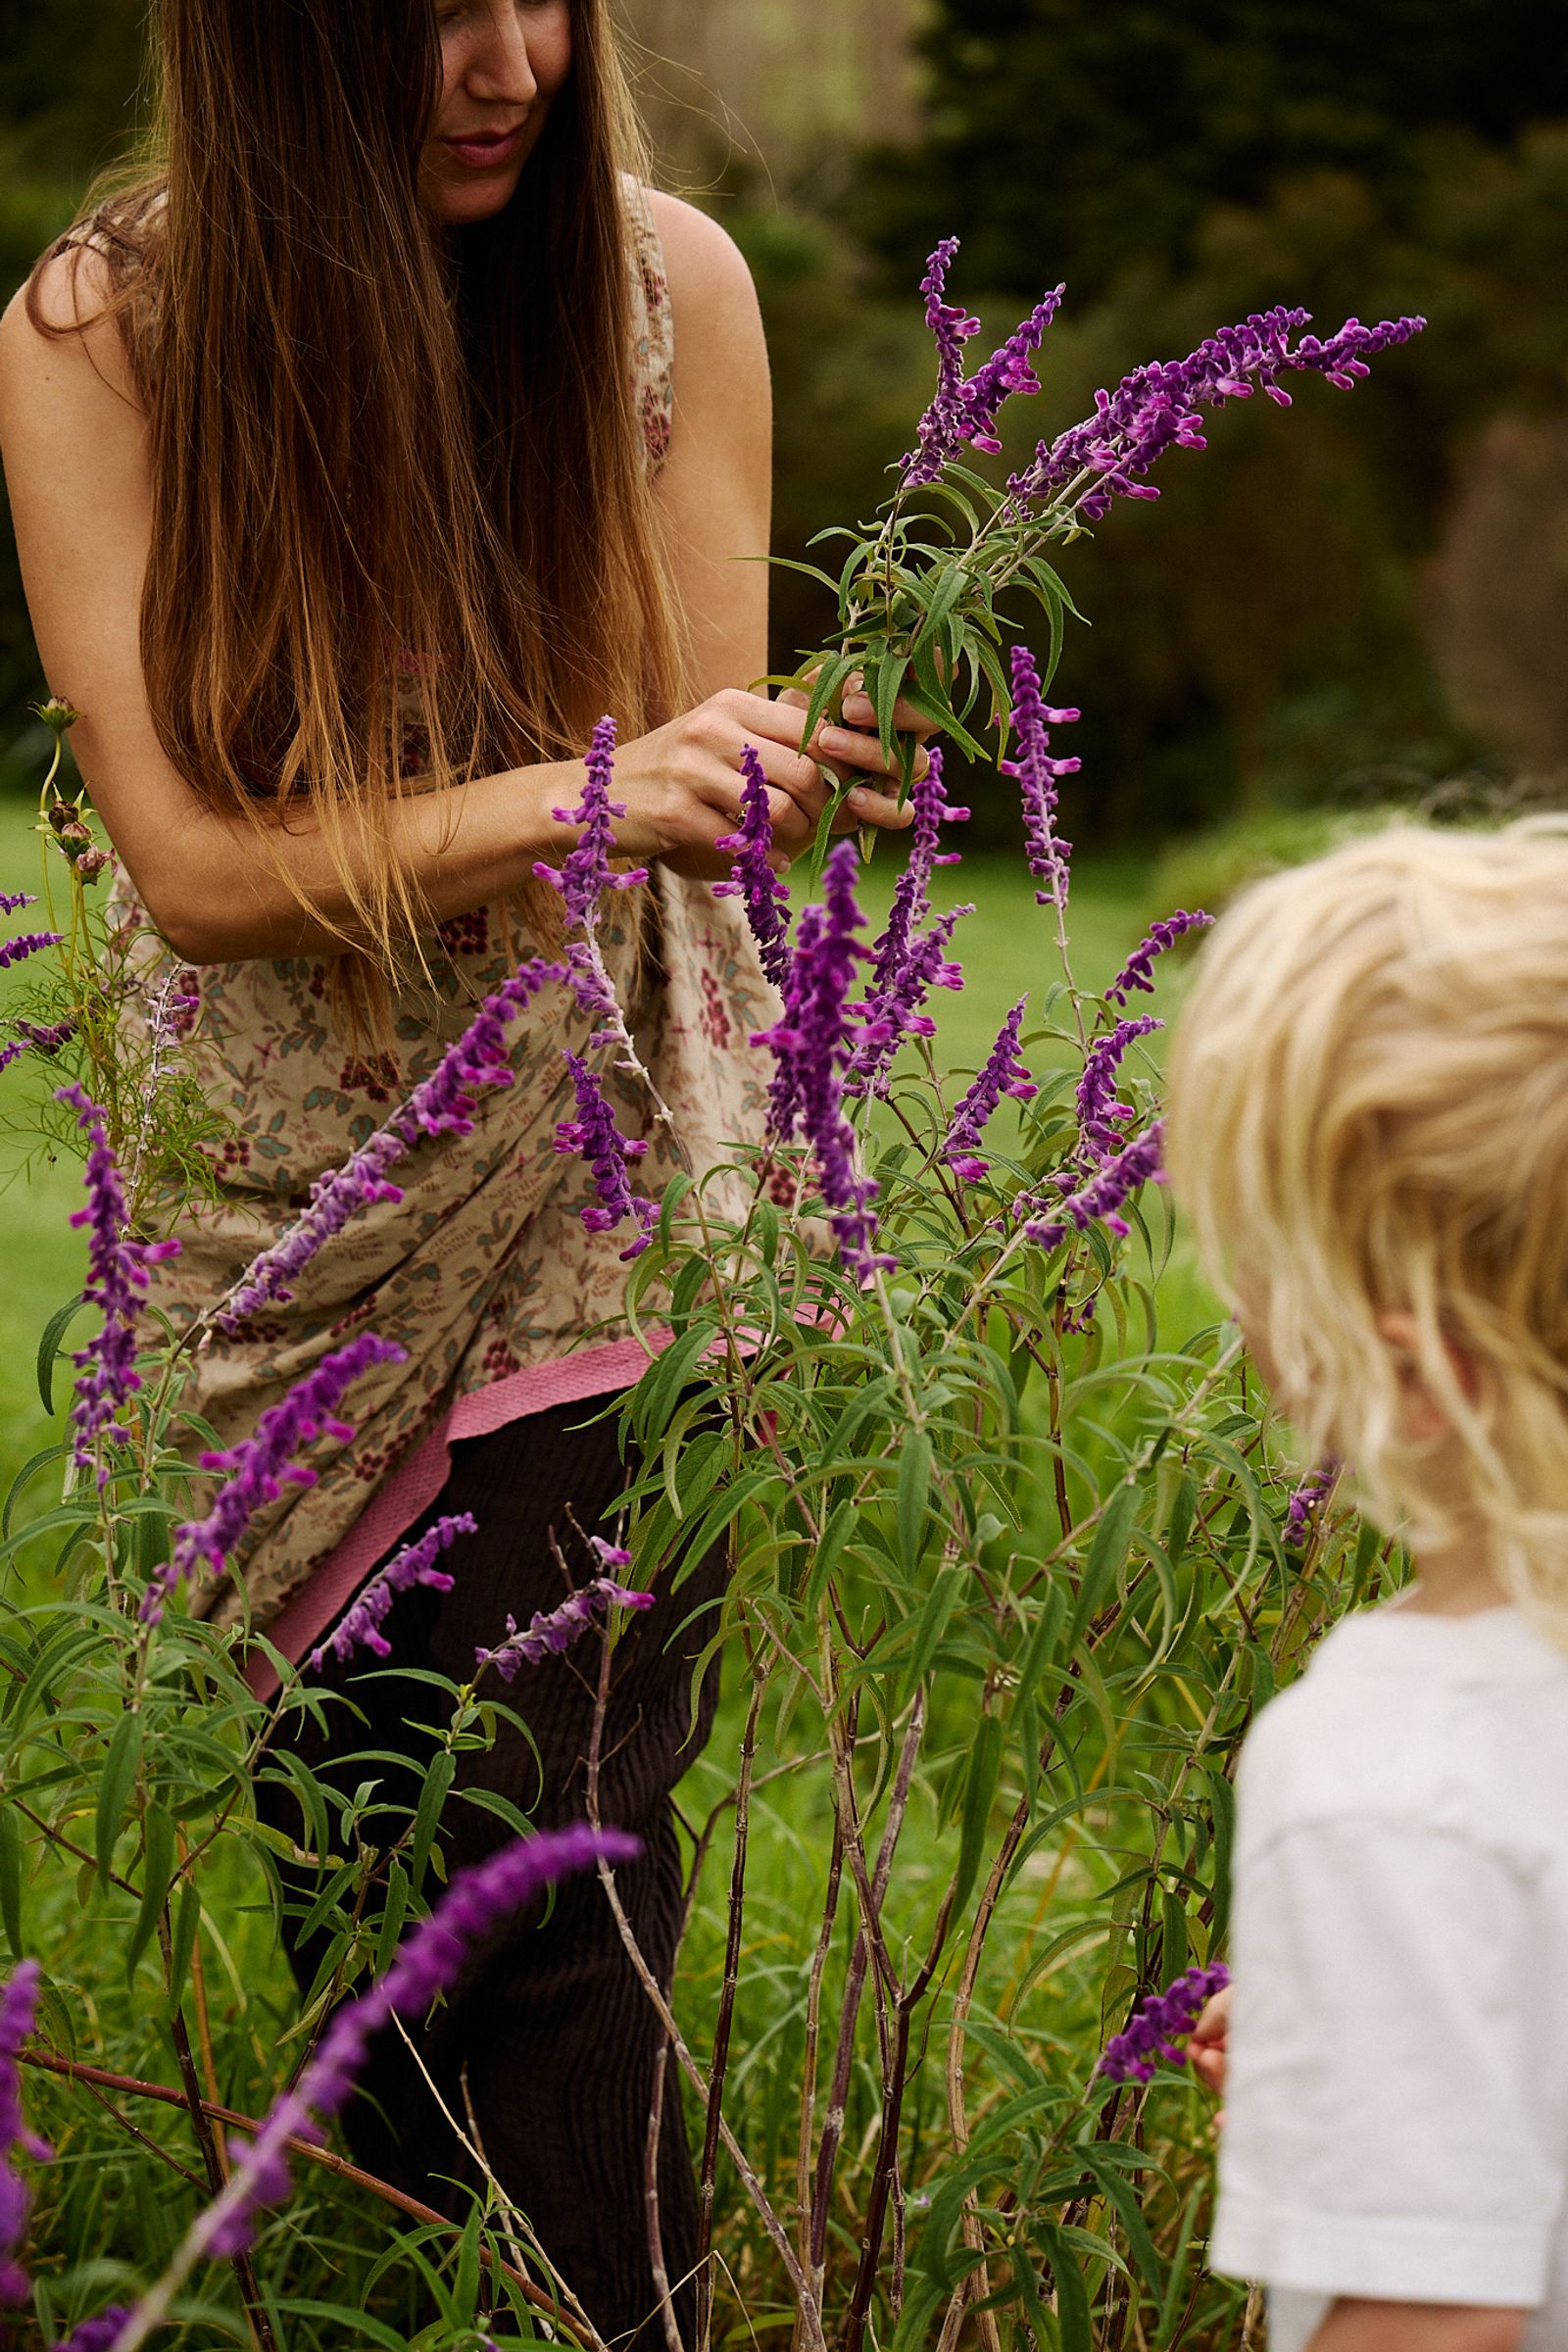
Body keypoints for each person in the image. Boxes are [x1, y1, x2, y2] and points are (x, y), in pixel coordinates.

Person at [0, 3, 929, 2339]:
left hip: (604, 1175)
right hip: (276, 1246)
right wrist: (586, 795)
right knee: (378, 1941)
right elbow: (199, 871)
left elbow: (674, 747)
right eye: (420, 6)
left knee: (547, 1907)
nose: (503, 56)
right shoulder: (106, 333)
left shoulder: (662, 285)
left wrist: (771, 771)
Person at [1165, 823, 1568, 2352]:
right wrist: (1388, 2041)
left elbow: (1436, 2315)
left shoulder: (1385, 1766)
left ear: (1401, 1375)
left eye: (1254, 1257)